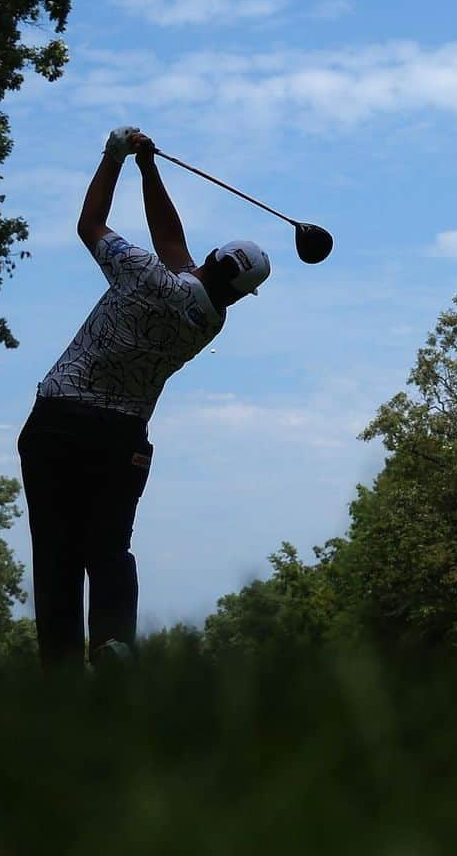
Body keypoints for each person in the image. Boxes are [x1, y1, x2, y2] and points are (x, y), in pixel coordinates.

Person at [17, 126, 271, 670]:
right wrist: (149, 170)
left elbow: (91, 225)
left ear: (212, 256)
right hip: (122, 440)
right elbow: (175, 250)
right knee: (108, 548)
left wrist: (116, 158)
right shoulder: (210, 320)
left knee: (56, 555)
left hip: (58, 423)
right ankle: (112, 643)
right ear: (242, 296)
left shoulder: (144, 274)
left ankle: (59, 670)